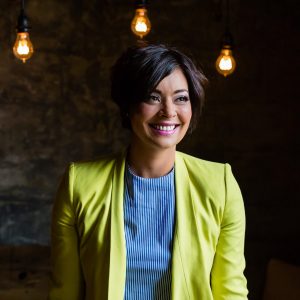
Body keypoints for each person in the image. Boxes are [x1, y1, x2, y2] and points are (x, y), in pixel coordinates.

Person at [49, 43, 248, 300]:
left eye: (181, 98)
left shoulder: (219, 184)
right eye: (153, 97)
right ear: (128, 105)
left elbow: (231, 292)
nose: (169, 111)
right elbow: (64, 293)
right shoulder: (80, 184)